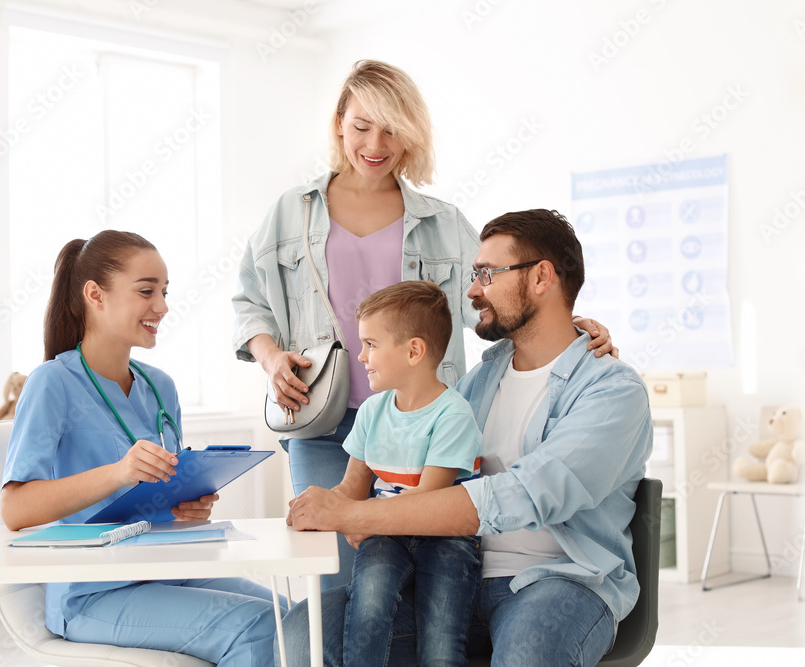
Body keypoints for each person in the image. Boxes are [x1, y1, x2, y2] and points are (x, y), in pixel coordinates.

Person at [231, 59, 615, 589]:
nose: (375, 142)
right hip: (322, 425)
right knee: (336, 582)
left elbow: (495, 295)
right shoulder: (289, 214)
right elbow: (250, 303)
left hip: (423, 427)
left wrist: (569, 326)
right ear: (340, 121)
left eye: (392, 128)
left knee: (418, 578)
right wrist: (272, 359)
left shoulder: (443, 222)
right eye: (362, 125)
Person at [283, 209, 653, 667]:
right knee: (305, 632)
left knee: (528, 654)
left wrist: (360, 513)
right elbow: (419, 461)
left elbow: (527, 493)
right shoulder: (478, 382)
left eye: (486, 274)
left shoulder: (611, 390)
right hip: (453, 575)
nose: (473, 289)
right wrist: (343, 503)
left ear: (541, 278)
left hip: (556, 581)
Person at [1, 230, 278, 667]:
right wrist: (119, 472)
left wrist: (189, 504)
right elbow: (15, 511)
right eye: (146, 291)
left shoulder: (159, 385)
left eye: (164, 292)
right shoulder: (51, 384)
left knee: (290, 618)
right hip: (94, 592)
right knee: (259, 628)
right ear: (95, 295)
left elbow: (161, 494)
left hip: (170, 571)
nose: (163, 306)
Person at [336, 281, 482, 667]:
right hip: (386, 534)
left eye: (371, 344)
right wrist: (318, 506)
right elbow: (353, 485)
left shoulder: (454, 415)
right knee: (367, 605)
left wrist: (362, 518)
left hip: (445, 538)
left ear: (414, 350)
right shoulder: (371, 411)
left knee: (441, 643)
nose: (361, 355)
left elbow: (431, 502)